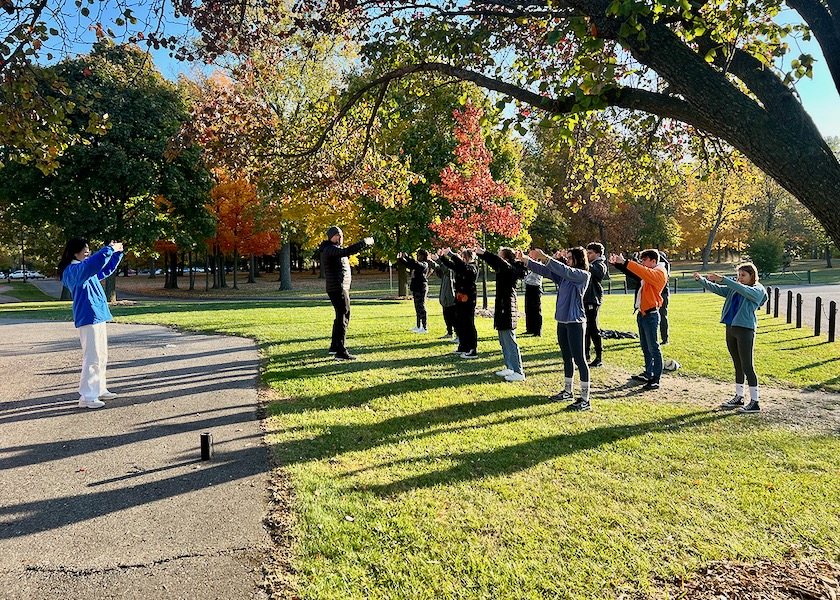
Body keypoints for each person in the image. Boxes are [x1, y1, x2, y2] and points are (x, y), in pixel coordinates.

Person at [520, 247, 592, 410]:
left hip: (575, 322)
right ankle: (568, 392)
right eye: (567, 258)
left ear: (579, 260)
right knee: (567, 357)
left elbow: (563, 269)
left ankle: (585, 399)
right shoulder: (565, 277)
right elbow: (546, 271)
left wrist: (545, 257)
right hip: (563, 321)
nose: (567, 260)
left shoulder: (581, 276)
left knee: (580, 359)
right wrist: (526, 260)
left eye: (570, 258)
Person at [57, 238, 124, 409]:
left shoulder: (83, 269)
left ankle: (99, 389)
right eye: (84, 250)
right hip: (87, 316)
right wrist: (109, 248)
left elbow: (105, 269)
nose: (87, 253)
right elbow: (92, 264)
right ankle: (87, 397)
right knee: (92, 357)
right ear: (74, 252)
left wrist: (116, 254)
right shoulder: (72, 270)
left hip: (97, 315)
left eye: (88, 250)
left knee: (101, 355)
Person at [694, 264, 768, 413]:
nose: (740, 278)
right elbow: (719, 289)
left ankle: (755, 402)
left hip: (745, 330)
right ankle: (739, 397)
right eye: (739, 275)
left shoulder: (757, 290)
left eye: (743, 276)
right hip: (731, 328)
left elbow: (745, 291)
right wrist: (701, 280)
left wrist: (724, 279)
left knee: (747, 366)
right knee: (738, 365)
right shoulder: (736, 287)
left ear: (752, 276)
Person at [609, 250, 668, 390]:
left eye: (644, 261)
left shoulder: (659, 273)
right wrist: (619, 265)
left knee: (654, 348)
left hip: (651, 315)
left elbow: (642, 271)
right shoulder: (649, 273)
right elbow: (635, 273)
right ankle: (648, 373)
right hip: (643, 314)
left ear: (653, 261)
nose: (642, 264)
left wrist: (625, 262)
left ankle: (655, 379)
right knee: (646, 347)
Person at [319, 226, 374, 361]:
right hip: (338, 288)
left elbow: (348, 251)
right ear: (331, 236)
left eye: (341, 235)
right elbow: (348, 251)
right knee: (343, 317)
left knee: (340, 317)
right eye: (337, 235)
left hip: (340, 287)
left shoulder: (334, 249)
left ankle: (334, 347)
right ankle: (341, 352)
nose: (340, 237)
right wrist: (364, 242)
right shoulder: (330, 249)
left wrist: (363, 247)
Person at [475, 246, 528, 381]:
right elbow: (494, 262)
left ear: (505, 258)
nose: (498, 258)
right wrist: (481, 255)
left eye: (500, 256)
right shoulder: (504, 268)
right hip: (502, 307)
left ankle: (519, 371)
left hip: (508, 307)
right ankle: (510, 367)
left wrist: (485, 253)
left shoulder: (510, 269)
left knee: (510, 340)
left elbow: (497, 262)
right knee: (503, 340)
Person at [437, 247, 479, 358]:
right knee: (460, 322)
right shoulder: (462, 267)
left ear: (467, 257)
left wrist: (451, 254)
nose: (461, 259)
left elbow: (464, 267)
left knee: (468, 323)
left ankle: (472, 348)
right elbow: (451, 265)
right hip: (459, 298)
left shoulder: (472, 267)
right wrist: (441, 257)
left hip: (468, 298)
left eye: (462, 257)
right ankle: (463, 346)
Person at [584, 242, 608, 367]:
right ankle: (585, 354)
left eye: (590, 253)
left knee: (593, 328)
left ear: (597, 254)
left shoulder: (600, 265)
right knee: (586, 329)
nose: (588, 255)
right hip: (586, 299)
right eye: (587, 253)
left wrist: (584, 262)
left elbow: (597, 274)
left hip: (593, 299)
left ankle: (599, 357)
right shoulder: (592, 264)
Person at [397, 250, 430, 333]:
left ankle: (425, 327)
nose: (418, 256)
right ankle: (418, 325)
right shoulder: (416, 265)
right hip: (416, 288)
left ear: (423, 256)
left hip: (421, 287)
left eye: (419, 255)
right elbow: (409, 264)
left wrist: (407, 257)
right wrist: (401, 259)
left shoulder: (424, 264)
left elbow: (415, 264)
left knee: (421, 306)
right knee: (417, 307)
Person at [427, 254, 457, 339]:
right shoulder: (445, 273)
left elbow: (444, 268)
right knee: (447, 317)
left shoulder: (450, 271)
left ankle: (457, 334)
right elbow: (437, 268)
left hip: (451, 299)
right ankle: (449, 333)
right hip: (445, 299)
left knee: (453, 318)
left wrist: (439, 260)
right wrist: (430, 260)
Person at [523, 268, 543, 336]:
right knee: (528, 309)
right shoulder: (529, 266)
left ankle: (537, 331)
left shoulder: (538, 266)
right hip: (528, 287)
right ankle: (530, 329)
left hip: (535, 287)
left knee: (536, 310)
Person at [658, 250, 671, 344]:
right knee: (662, 316)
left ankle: (664, 338)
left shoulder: (663, 268)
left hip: (663, 294)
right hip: (664, 294)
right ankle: (664, 338)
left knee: (662, 316)